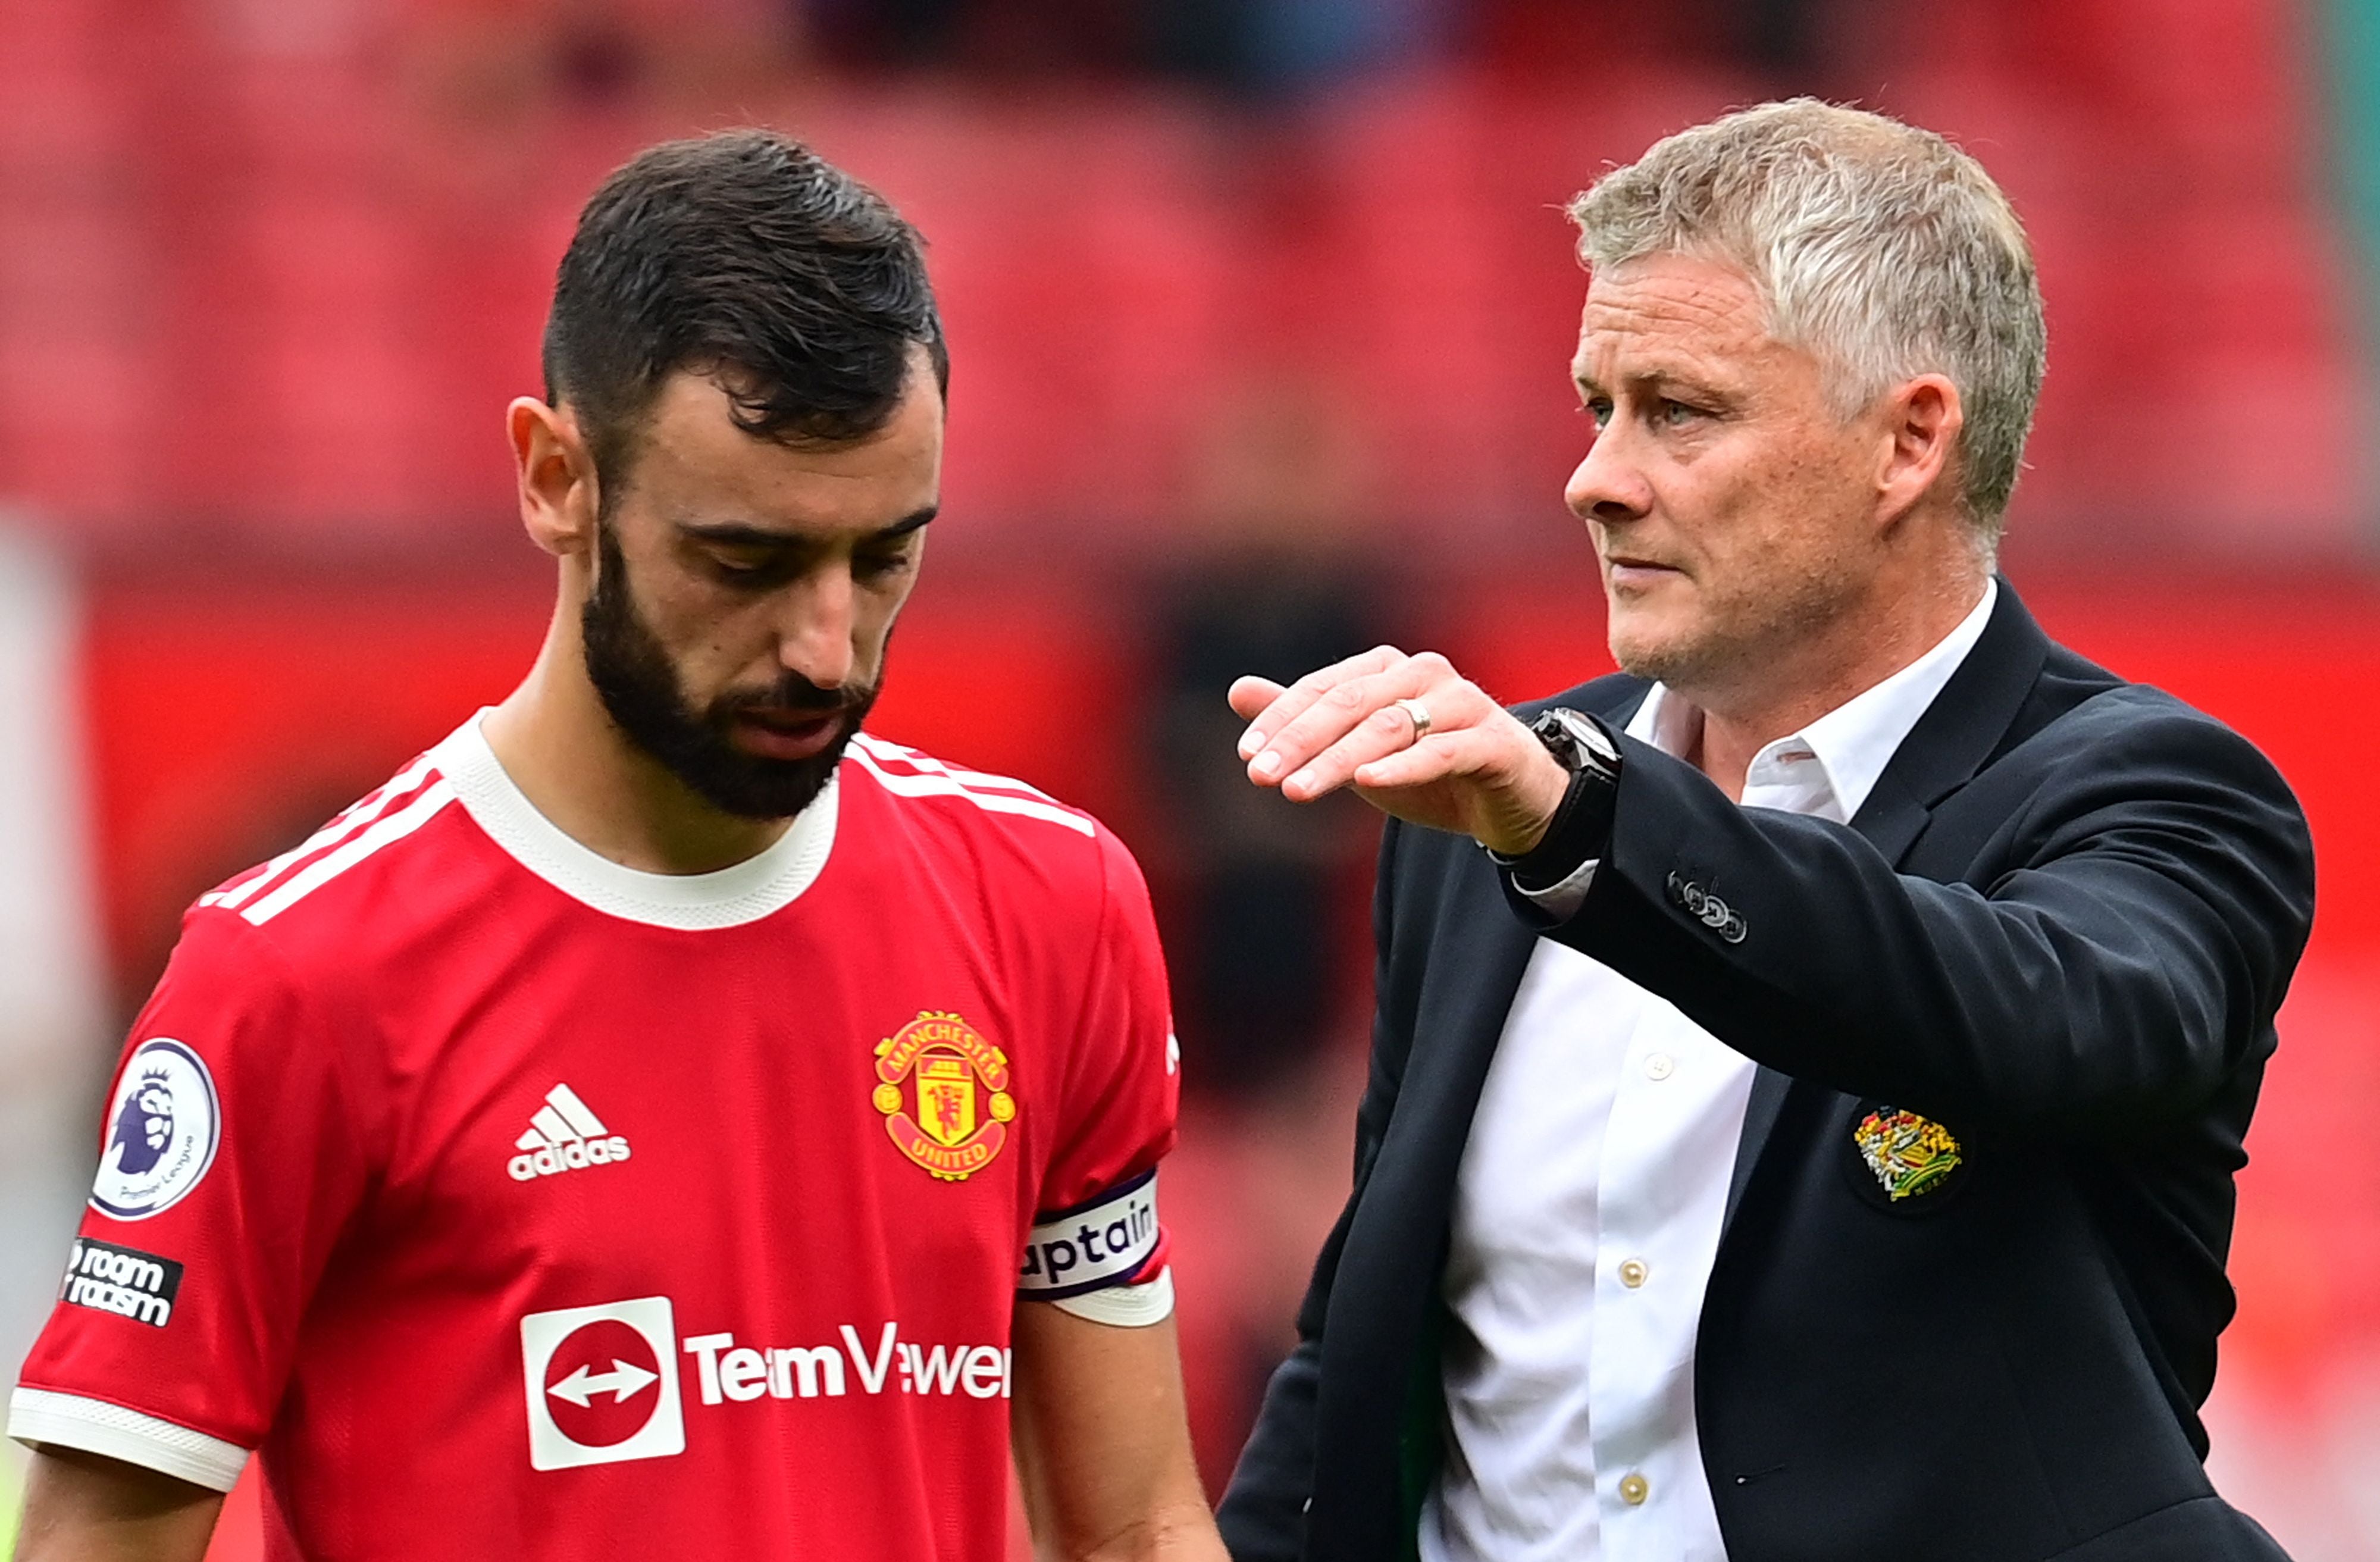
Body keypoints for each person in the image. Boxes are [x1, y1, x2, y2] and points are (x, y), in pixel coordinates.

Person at [10, 130, 1225, 1562]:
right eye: (744, 560)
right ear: (555, 478)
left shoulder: (1051, 907)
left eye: (885, 555)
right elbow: (105, 1538)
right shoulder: (297, 972)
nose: (825, 647)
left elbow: (1137, 1522)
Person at [1215, 101, 2315, 1562]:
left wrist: (1588, 826)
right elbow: (1380, 1338)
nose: (1595, 477)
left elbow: (2051, 1010)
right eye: (1591, 405)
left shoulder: (2156, 789)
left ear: (1909, 442)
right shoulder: (1493, 806)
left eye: (1677, 410)